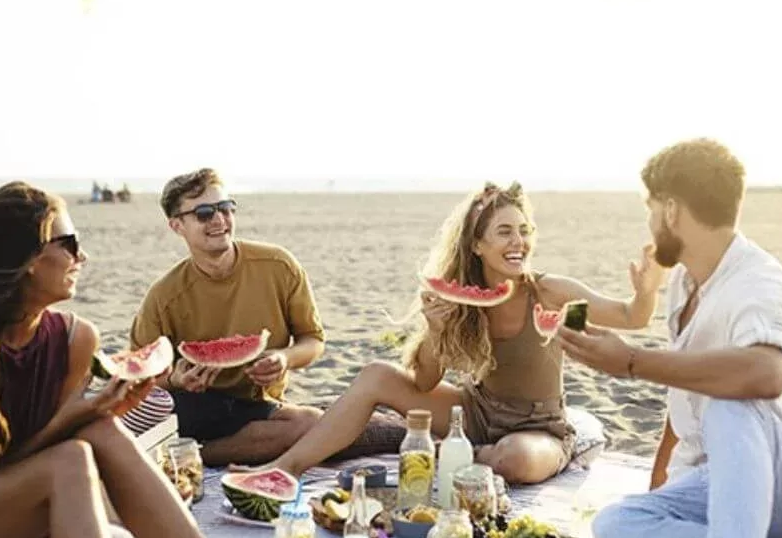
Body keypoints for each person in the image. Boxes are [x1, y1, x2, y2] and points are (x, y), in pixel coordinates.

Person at [240, 181, 663, 485]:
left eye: (524, 230)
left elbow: (631, 317)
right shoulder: (461, 299)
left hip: (540, 425)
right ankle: (287, 466)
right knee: (374, 374)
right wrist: (437, 329)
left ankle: (452, 449)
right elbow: (424, 381)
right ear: (477, 246)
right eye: (505, 232)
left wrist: (646, 291)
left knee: (513, 462)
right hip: (476, 411)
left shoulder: (550, 291)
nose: (519, 242)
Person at [0, 182, 204, 538]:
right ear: (29, 259)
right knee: (70, 459)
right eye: (70, 244)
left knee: (102, 432)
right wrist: (74, 417)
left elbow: (47, 448)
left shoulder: (76, 339)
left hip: (27, 503)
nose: (82, 257)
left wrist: (99, 413)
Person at [560, 139, 782, 538]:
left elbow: (766, 374)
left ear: (671, 210)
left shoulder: (758, 282)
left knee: (731, 402)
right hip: (721, 481)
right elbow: (689, 389)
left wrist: (630, 362)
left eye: (651, 209)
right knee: (616, 523)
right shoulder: (684, 281)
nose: (650, 222)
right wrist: (660, 480)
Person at [129, 168, 325, 466]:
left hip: (257, 403)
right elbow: (139, 380)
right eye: (204, 213)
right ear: (177, 225)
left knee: (310, 424)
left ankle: (195, 456)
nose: (219, 220)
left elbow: (313, 340)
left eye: (225, 208)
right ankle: (192, 450)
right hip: (192, 405)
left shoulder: (278, 266)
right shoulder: (164, 296)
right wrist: (175, 378)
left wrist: (285, 358)